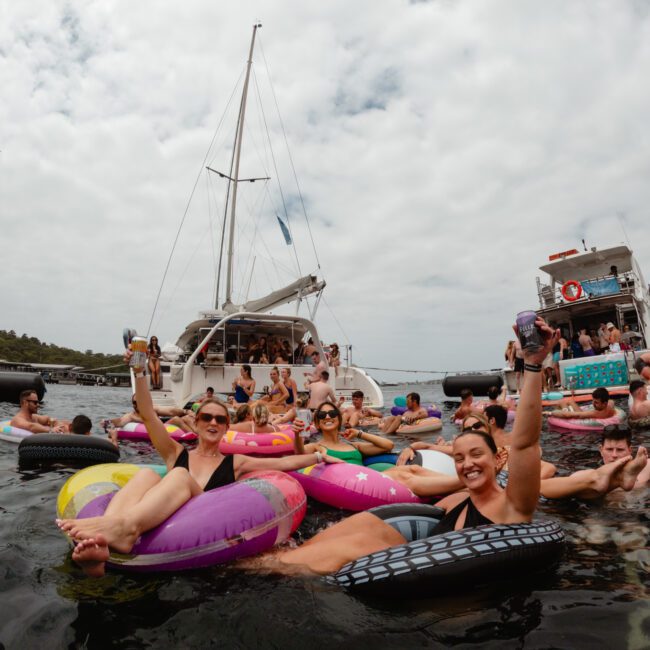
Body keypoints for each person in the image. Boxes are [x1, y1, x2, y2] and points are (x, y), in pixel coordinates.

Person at [240, 315, 559, 576]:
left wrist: (532, 365)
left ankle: (250, 567)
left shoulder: (514, 504)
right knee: (343, 537)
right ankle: (271, 558)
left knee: (316, 559)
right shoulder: (456, 499)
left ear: (499, 457)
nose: (466, 464)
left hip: (454, 591)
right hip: (414, 560)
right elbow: (416, 509)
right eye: (459, 457)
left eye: (476, 454)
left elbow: (526, 443)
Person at [57, 352, 344, 578]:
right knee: (145, 473)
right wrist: (139, 369)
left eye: (220, 419)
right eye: (207, 418)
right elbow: (146, 413)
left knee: (180, 476)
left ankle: (123, 529)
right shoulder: (175, 452)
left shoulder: (234, 462)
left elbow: (283, 462)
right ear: (195, 422)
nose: (213, 423)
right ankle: (103, 546)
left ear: (227, 427)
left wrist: (318, 455)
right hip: (158, 521)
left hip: (198, 527)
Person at [539, 425, 648, 499]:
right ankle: (614, 479)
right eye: (609, 449)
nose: (614, 455)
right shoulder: (585, 475)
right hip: (599, 519)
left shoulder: (645, 468)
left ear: (630, 450)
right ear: (601, 450)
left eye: (620, 450)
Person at [293, 401, 393, 465]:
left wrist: (359, 433)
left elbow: (388, 445)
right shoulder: (316, 447)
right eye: (322, 415)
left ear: (339, 420)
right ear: (317, 424)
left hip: (364, 484)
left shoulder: (354, 446)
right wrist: (297, 434)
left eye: (332, 413)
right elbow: (300, 452)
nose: (327, 417)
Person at [546, 387, 616, 421]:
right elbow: (612, 401)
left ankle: (564, 408)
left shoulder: (595, 413)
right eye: (593, 401)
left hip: (579, 418)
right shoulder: (609, 406)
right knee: (570, 401)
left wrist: (550, 413)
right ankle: (565, 407)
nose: (593, 404)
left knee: (562, 402)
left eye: (596, 402)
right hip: (584, 414)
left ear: (604, 403)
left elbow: (567, 415)